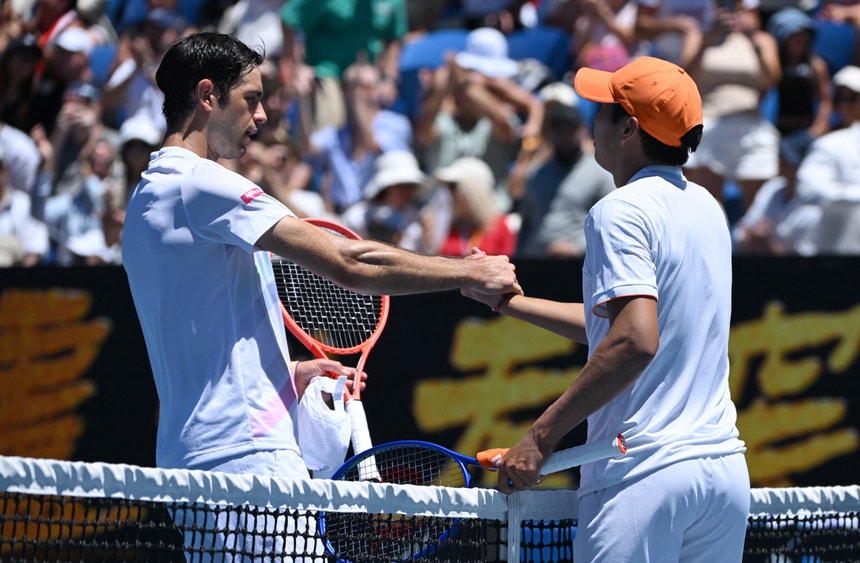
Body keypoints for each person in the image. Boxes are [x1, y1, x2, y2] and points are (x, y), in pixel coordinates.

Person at [121, 32, 520, 556]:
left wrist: (285, 378)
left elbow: (196, 345)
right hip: (248, 463)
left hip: (195, 460)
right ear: (207, 96)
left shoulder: (143, 202)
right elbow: (349, 262)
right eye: (252, 98)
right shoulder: (202, 186)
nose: (262, 116)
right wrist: (467, 273)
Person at [463, 56, 749, 561]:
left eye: (603, 108)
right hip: (721, 476)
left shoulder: (618, 211)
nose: (591, 117)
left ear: (629, 130)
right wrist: (514, 305)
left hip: (644, 474)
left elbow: (635, 341)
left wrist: (540, 438)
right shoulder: (707, 206)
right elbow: (624, 328)